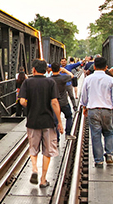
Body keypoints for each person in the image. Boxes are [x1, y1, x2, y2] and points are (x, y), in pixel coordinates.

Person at [18, 59, 64, 188]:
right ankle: (43, 180)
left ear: (33, 69)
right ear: (46, 70)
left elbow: (22, 101)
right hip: (48, 121)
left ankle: (34, 169)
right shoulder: (51, 82)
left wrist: (30, 105)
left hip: (32, 121)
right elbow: (54, 102)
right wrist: (59, 122)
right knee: (47, 151)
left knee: (33, 148)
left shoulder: (27, 82)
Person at [80, 57, 113, 168]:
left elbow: (84, 96)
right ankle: (109, 154)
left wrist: (84, 107)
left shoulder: (88, 79)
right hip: (107, 111)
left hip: (93, 110)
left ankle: (98, 160)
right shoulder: (111, 80)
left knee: (95, 134)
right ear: (106, 67)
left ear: (94, 67)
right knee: (108, 132)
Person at [50, 62, 76, 142]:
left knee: (55, 121)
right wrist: (64, 70)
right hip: (64, 102)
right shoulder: (63, 78)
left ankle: (56, 139)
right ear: (59, 69)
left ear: (51, 69)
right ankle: (68, 134)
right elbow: (72, 76)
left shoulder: (49, 79)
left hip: (54, 103)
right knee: (69, 116)